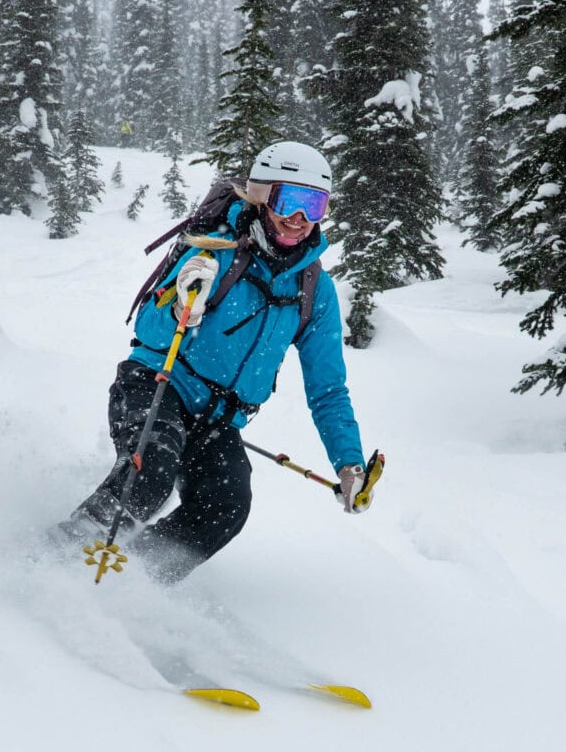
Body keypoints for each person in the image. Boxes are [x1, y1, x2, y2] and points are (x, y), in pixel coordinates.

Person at [57, 141, 370, 583]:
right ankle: (56, 559)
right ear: (263, 196)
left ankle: (134, 584)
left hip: (218, 419)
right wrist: (182, 303)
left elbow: (329, 388)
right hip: (157, 383)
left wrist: (348, 462)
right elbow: (147, 329)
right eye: (289, 201)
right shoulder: (214, 250)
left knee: (225, 509)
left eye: (313, 205)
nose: (299, 219)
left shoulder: (315, 288)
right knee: (149, 475)